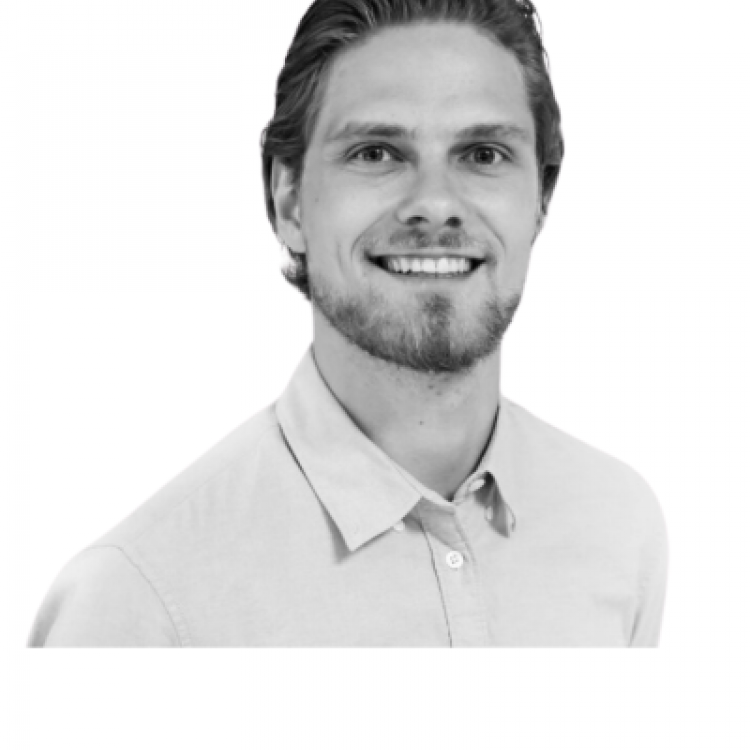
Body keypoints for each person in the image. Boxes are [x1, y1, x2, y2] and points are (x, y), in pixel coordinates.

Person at [28, 0, 668, 647]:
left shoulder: (618, 526)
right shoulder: (137, 603)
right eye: (376, 152)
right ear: (288, 201)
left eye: (483, 153)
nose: (435, 204)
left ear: (542, 197)